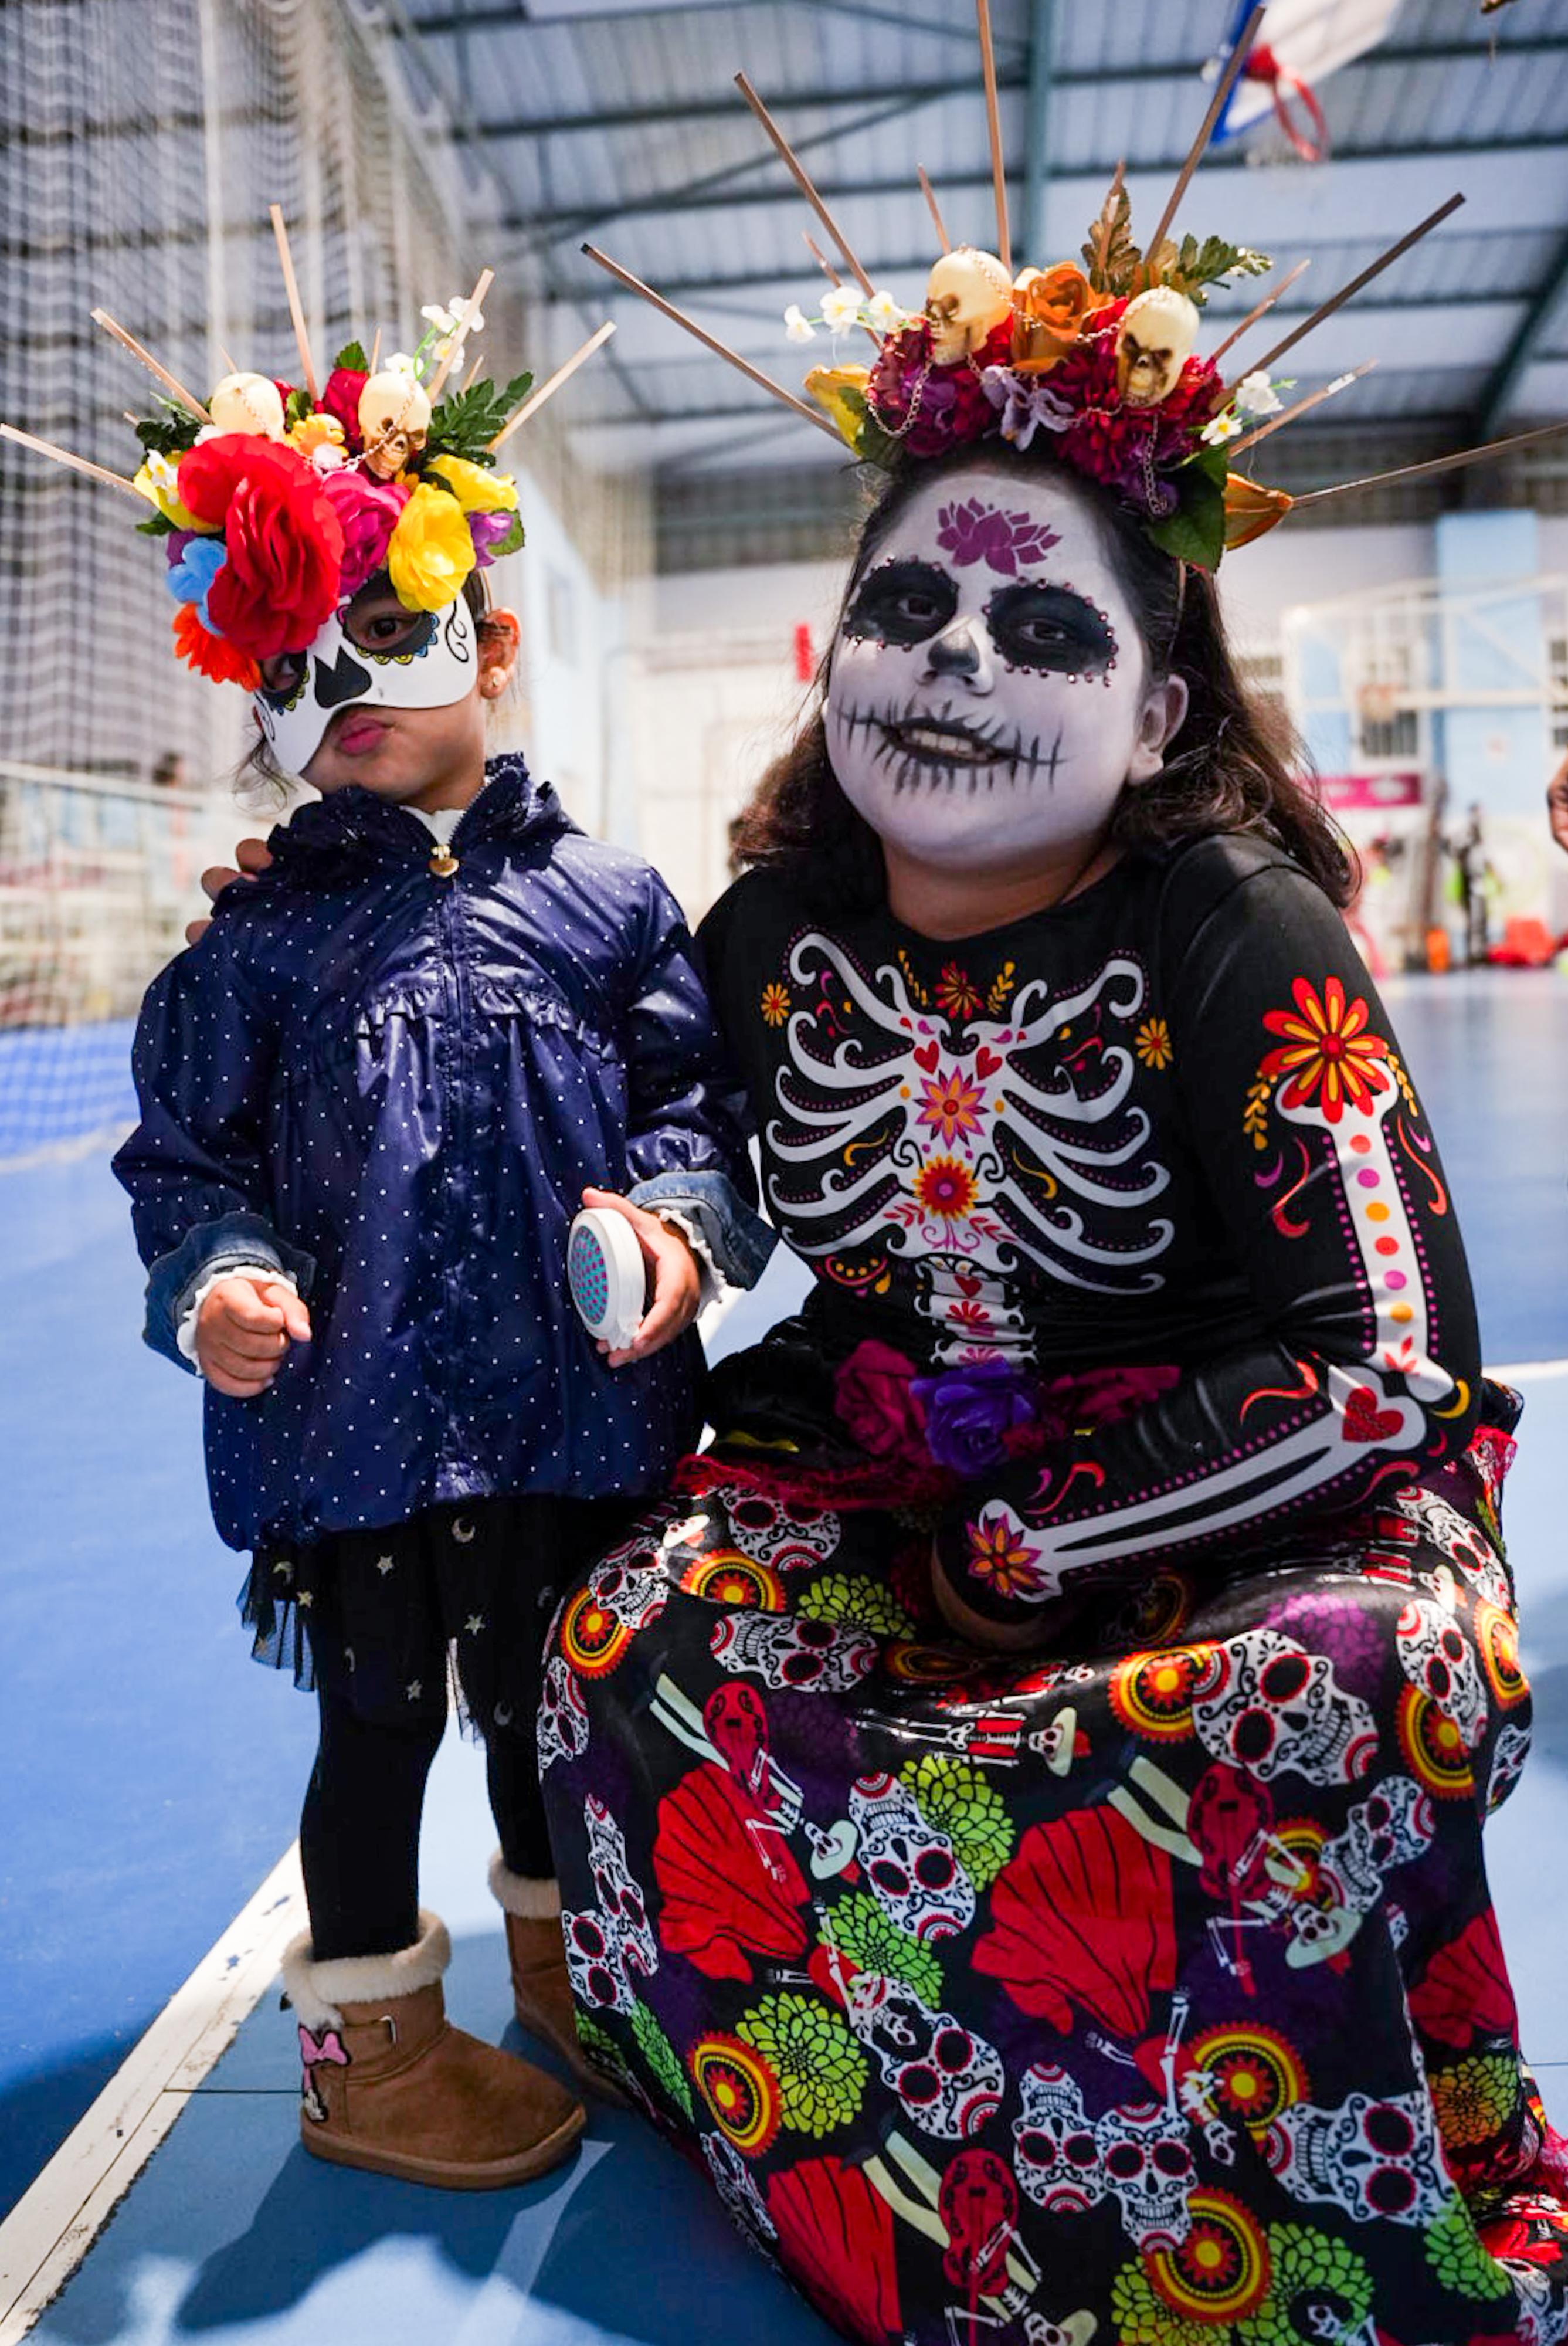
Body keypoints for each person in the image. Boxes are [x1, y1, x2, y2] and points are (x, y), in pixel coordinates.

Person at [531, 185, 1568, 2343]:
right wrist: (656, 1234)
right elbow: (712, 1171)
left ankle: (1240, 2222)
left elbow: (1382, 1364)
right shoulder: (765, 937)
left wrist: (1039, 1545)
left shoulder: (1232, 930)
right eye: (903, 609)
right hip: (883, 1469)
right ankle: (841, 2145)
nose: (954, 663)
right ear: (829, 656)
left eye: (1042, 634)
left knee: (1339, 1685)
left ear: (1168, 712)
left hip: (1271, 1492)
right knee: (630, 1641)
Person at [73, 266, 769, 2192]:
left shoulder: (614, 905)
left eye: (383, 632)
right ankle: (370, 2051)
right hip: (358, 1430)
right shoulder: (252, 948)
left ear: (494, 633)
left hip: (578, 1416)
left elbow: (699, 1116)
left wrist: (684, 1236)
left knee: (566, 1712)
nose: (341, 694)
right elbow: (182, 1161)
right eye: (291, 663)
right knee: (376, 1723)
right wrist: (211, 1280)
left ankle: (577, 1975)